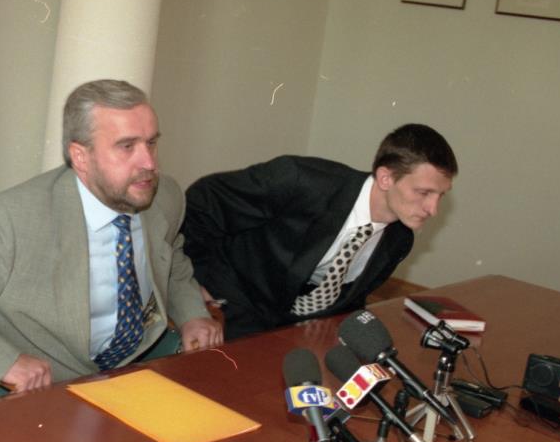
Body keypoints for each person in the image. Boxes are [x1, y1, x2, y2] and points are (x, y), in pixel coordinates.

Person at [0, 79, 222, 402]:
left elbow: (171, 258)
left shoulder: (163, 196)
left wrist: (191, 312)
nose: (148, 163)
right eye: (126, 146)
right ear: (80, 157)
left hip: (137, 363)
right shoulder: (15, 222)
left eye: (151, 143)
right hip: (47, 386)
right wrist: (2, 362)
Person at [182, 124, 457, 340]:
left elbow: (350, 299)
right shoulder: (299, 180)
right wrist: (193, 280)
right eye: (423, 193)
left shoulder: (399, 239)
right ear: (386, 178)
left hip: (296, 326)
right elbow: (202, 201)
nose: (433, 209)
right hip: (235, 301)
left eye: (440, 195)